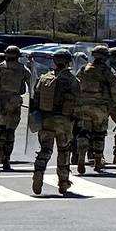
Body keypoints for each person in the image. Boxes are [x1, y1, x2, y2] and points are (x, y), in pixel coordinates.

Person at [31, 51, 78, 196]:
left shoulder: (44, 78)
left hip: (46, 119)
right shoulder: (71, 79)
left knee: (45, 150)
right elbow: (78, 100)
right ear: (68, 62)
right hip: (63, 121)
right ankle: (63, 182)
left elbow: (36, 97)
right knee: (64, 151)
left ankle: (38, 171)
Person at [74, 48, 116, 176]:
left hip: (83, 106)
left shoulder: (84, 69)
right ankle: (98, 160)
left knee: (83, 132)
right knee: (99, 134)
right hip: (100, 107)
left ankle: (81, 155)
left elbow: (75, 83)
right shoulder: (107, 71)